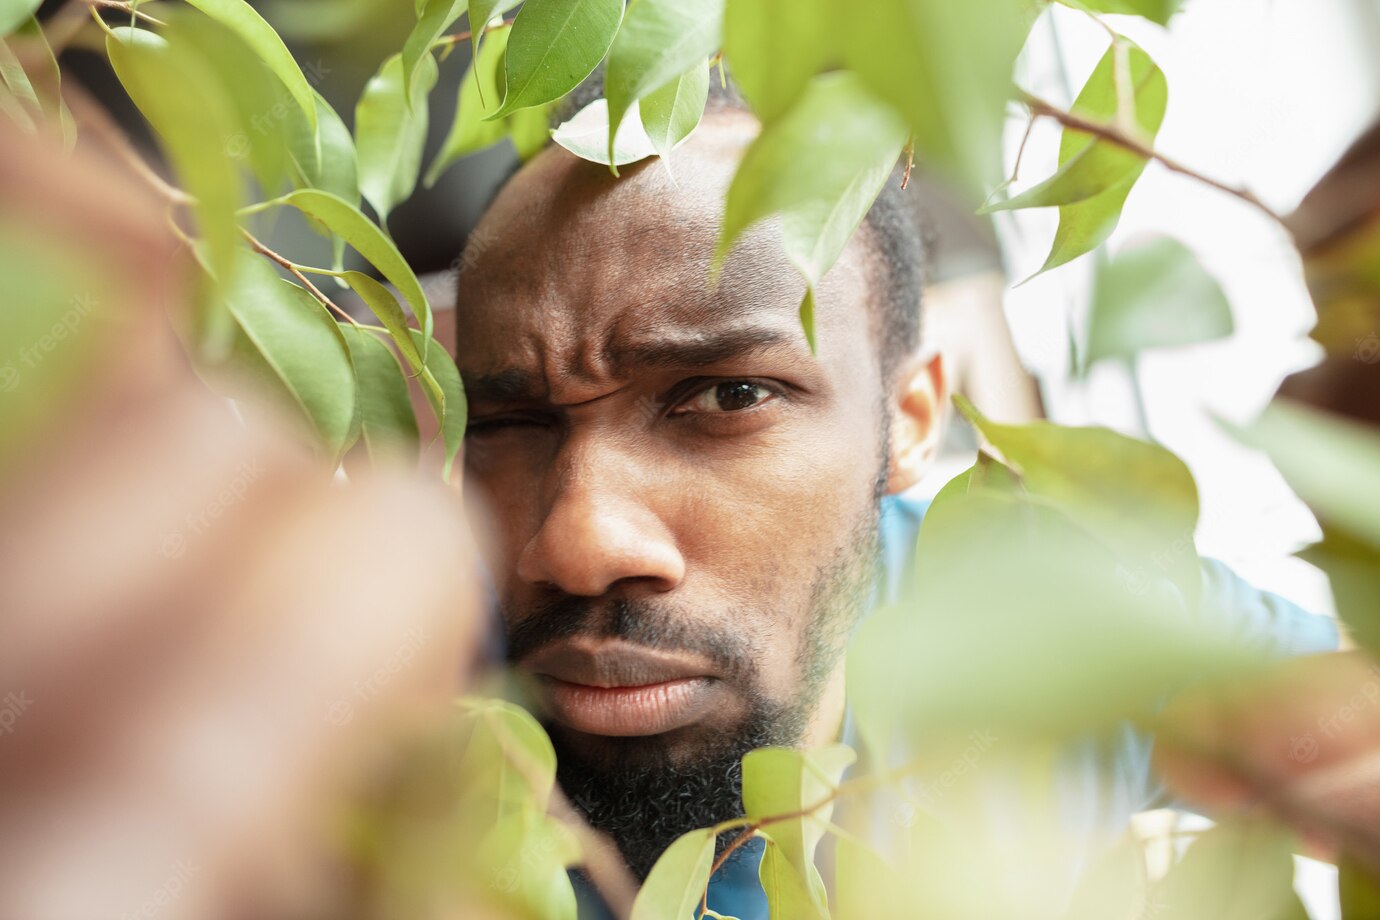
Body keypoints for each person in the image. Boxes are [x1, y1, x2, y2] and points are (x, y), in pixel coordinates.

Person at [451, 82, 1341, 918]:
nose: (578, 543)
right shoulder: (389, 748)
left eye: (727, 396)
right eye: (507, 420)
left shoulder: (1060, 617)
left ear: (911, 420)